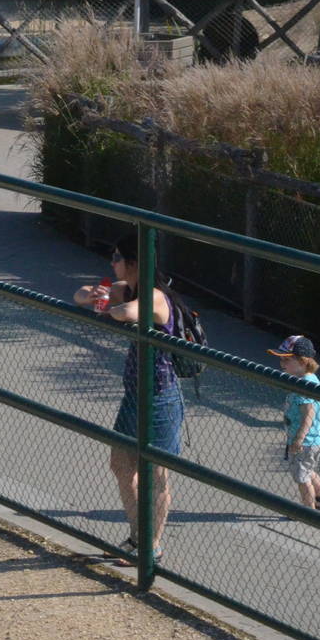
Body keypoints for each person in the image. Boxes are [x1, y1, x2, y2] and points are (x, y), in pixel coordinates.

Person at [72, 235, 185, 562]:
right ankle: (139, 537)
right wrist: (93, 295)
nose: (112, 263)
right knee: (121, 464)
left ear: (133, 263)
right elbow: (81, 294)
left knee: (156, 475)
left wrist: (108, 305)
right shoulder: (127, 288)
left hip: (161, 397)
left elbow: (128, 312)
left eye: (117, 258)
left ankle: (151, 547)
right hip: (134, 394)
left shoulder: (156, 296)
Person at [271, 335, 320, 510]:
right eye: (281, 359)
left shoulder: (305, 385)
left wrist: (299, 438)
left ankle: (308, 510)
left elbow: (308, 415)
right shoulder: (306, 379)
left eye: (287, 359)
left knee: (302, 478)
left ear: (303, 361)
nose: (282, 363)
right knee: (307, 469)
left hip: (305, 442)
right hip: (313, 440)